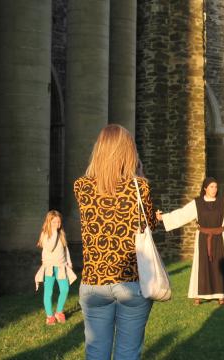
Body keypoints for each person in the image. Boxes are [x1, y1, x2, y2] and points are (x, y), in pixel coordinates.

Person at [74, 124, 157, 359]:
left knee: (96, 352)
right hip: (131, 281)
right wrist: (139, 176)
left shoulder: (81, 187)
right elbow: (149, 223)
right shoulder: (139, 187)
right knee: (128, 354)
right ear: (128, 151)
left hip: (94, 281)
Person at [156, 177, 224, 305]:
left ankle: (221, 294)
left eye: (216, 187)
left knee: (219, 266)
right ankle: (199, 295)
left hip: (219, 237)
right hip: (203, 238)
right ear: (205, 188)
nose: (214, 189)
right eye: (211, 187)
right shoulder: (197, 203)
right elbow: (182, 214)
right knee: (202, 266)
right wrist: (163, 217)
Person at [34, 210, 77, 325]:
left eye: (58, 222)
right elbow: (50, 247)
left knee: (65, 289)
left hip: (61, 266)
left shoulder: (61, 234)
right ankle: (49, 316)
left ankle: (59, 312)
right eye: (54, 222)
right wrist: (53, 232)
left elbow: (65, 249)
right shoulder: (45, 234)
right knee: (48, 292)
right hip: (49, 267)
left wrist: (69, 262)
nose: (57, 225)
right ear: (48, 222)